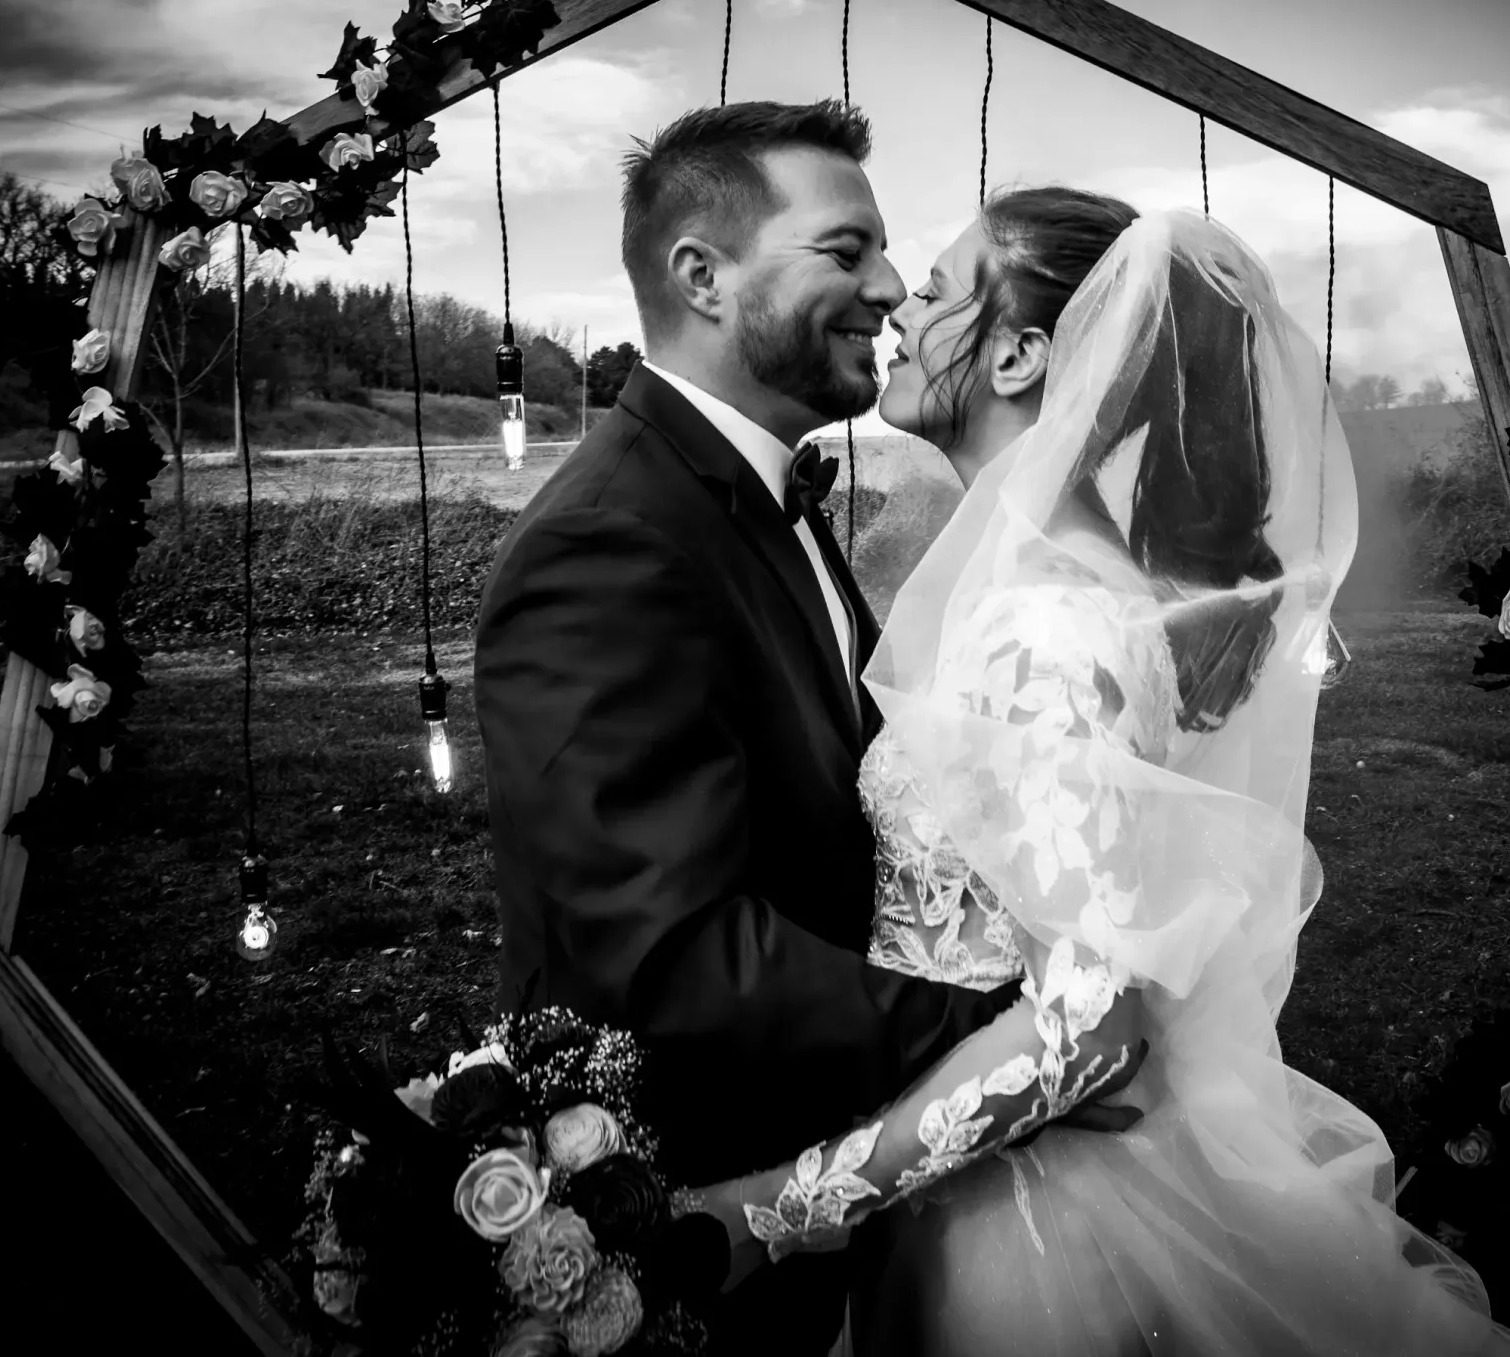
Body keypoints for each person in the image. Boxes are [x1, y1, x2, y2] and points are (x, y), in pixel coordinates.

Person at [686, 189, 1510, 1356]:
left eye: (937, 287)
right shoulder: (1064, 571)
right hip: (984, 1168)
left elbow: (1090, 1023)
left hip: (1023, 1235)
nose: (899, 306)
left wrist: (785, 1205)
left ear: (1018, 353)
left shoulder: (1041, 621)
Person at [473, 102, 1135, 1356]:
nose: (889, 286)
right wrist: (1008, 1048)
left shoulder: (764, 501)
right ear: (703, 276)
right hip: (696, 1217)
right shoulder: (612, 538)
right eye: (848, 250)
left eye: (896, 259)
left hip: (840, 1199)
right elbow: (664, 951)